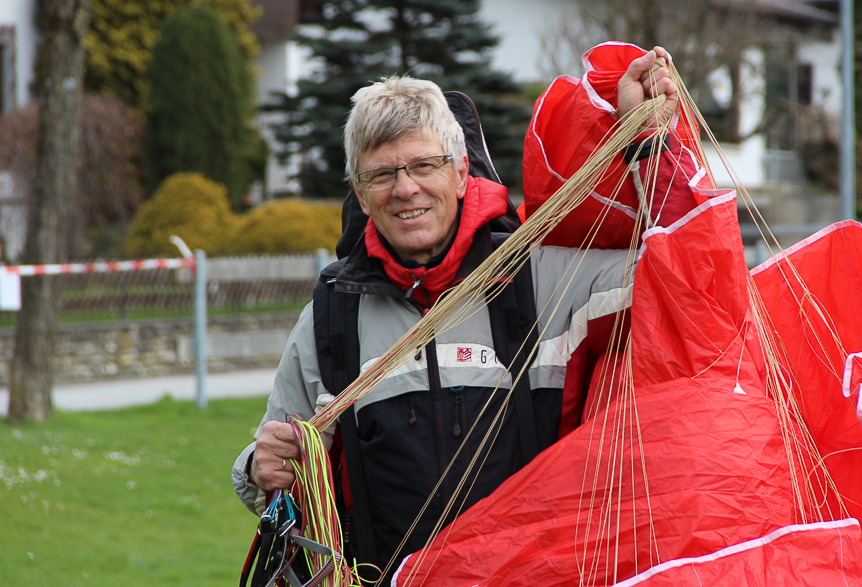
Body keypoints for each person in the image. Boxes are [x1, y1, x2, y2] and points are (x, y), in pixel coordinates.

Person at [232, 47, 690, 577]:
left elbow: (681, 277)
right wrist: (258, 466)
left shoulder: (545, 279)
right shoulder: (330, 319)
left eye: (424, 165)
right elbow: (273, 464)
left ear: (461, 171)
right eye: (381, 174)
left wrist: (651, 140)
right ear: (360, 191)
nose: (405, 189)